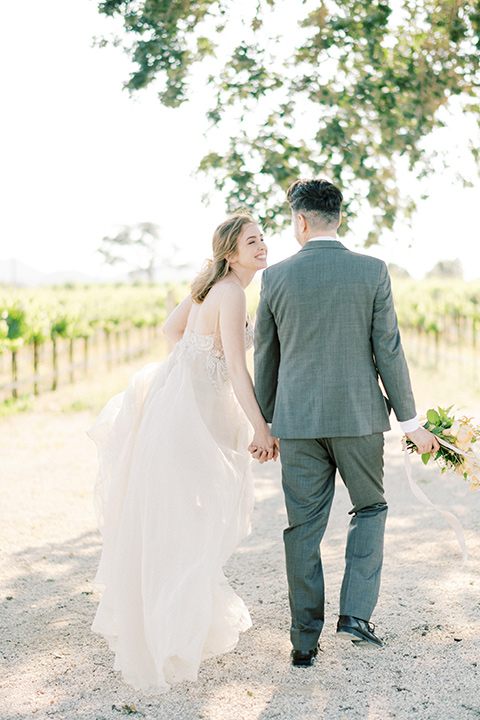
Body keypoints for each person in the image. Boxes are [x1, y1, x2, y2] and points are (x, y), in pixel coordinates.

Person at [252, 179, 439, 667]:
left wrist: (266, 425)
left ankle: (303, 639)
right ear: (338, 217)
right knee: (371, 508)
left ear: (300, 220)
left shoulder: (273, 279)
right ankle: (355, 615)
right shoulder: (372, 271)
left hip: (295, 425)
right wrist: (411, 423)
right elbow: (389, 351)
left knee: (303, 529)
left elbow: (265, 362)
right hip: (359, 419)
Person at [87, 213, 277, 694]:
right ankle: (168, 631)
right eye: (251, 240)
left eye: (263, 238)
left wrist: (193, 367)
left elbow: (171, 331)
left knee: (182, 519)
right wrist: (260, 426)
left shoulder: (210, 287)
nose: (262, 245)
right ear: (231, 252)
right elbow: (236, 365)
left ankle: (173, 621)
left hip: (179, 412)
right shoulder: (231, 292)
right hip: (188, 423)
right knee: (193, 523)